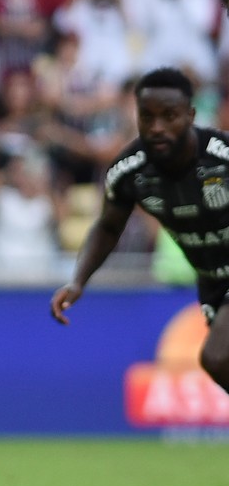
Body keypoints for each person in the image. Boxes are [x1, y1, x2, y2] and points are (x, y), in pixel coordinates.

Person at [51, 67, 229, 394]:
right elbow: (107, 226)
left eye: (169, 116)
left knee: (217, 357)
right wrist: (78, 280)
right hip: (214, 283)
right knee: (221, 363)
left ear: (190, 115)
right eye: (147, 117)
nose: (157, 127)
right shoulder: (129, 171)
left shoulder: (222, 156)